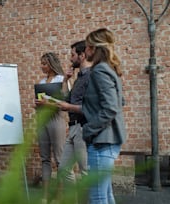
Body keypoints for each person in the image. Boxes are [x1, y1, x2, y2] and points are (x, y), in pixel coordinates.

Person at [81, 28, 127, 204]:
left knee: (98, 197)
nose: (84, 52)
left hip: (102, 141)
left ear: (93, 48)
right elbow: (119, 101)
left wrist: (89, 129)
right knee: (106, 195)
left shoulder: (100, 70)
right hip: (108, 140)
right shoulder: (109, 69)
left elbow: (111, 107)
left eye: (86, 47)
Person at [56, 40, 92, 203]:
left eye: (72, 55)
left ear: (82, 55)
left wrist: (68, 106)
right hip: (73, 128)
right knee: (63, 169)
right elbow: (65, 98)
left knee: (86, 173)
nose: (70, 59)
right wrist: (65, 80)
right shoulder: (78, 78)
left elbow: (91, 107)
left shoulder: (92, 76)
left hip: (83, 128)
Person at [35, 52, 67, 204]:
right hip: (43, 120)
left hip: (56, 120)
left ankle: (60, 196)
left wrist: (47, 103)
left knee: (59, 159)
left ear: (51, 64)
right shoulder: (41, 81)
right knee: (45, 159)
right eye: (41, 63)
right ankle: (45, 196)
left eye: (44, 64)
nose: (42, 66)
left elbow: (65, 103)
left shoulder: (61, 80)